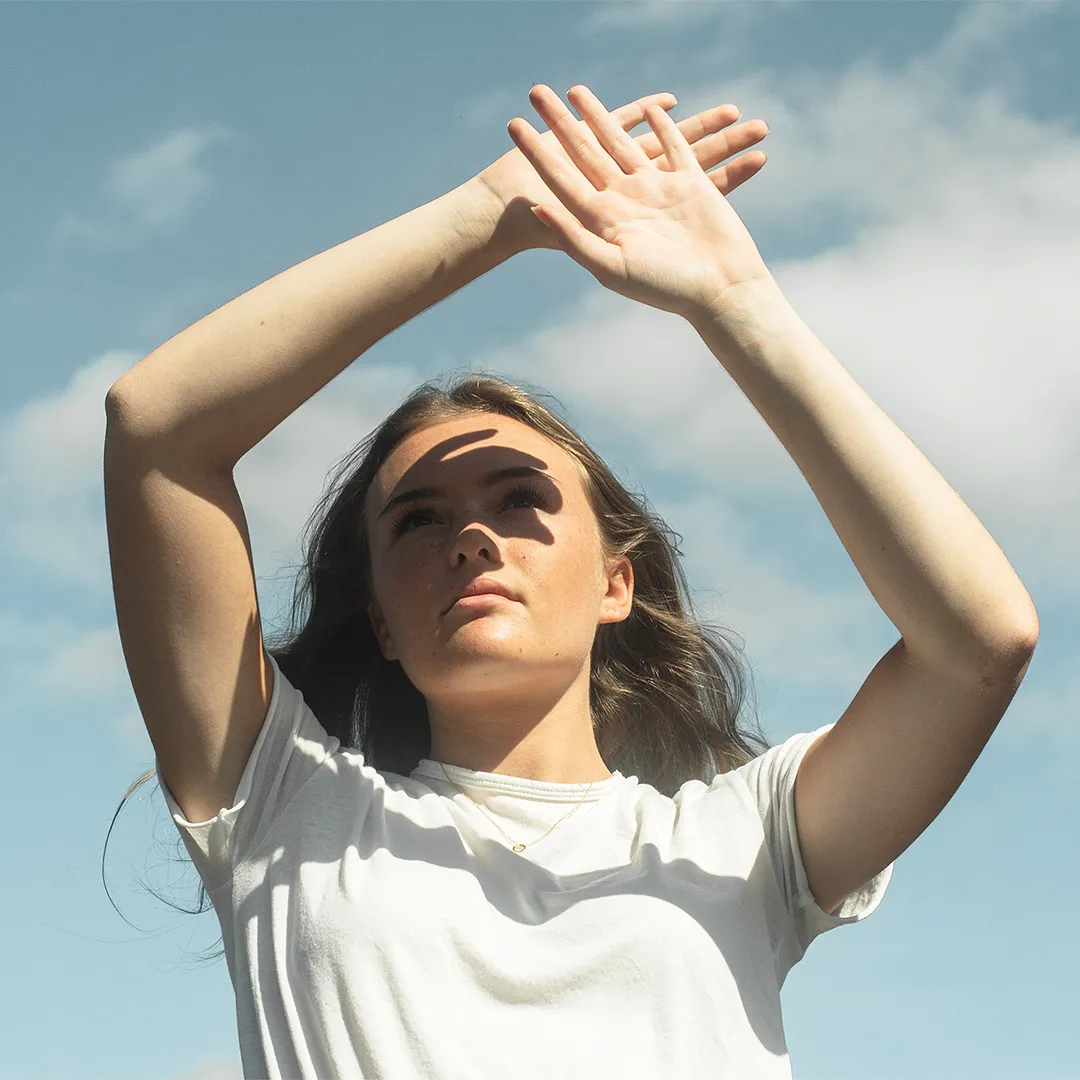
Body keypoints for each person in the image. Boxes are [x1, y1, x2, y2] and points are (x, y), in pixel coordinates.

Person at [103, 84, 1038, 1079]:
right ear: (377, 617)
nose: (470, 536)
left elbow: (979, 644)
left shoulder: (745, 834)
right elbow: (156, 428)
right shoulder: (284, 806)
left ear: (615, 583)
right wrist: (501, 213)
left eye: (519, 501)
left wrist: (735, 302)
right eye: (418, 519)